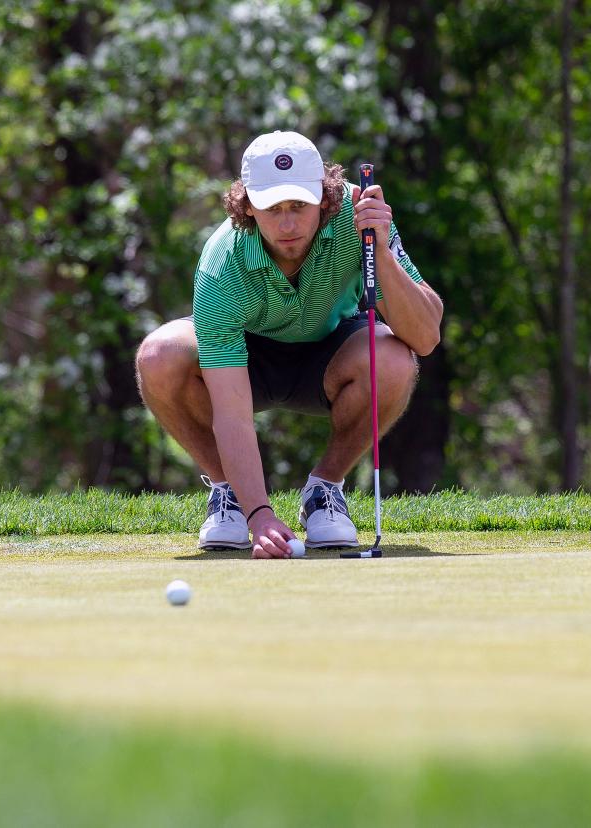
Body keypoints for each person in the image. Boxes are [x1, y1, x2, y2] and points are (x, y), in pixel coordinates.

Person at [135, 131, 442, 558]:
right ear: (246, 207)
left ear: (325, 196)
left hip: (332, 351)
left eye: (298, 205)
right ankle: (232, 498)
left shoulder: (361, 219)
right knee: (159, 355)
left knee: (393, 358)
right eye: (271, 208)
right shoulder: (222, 261)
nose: (287, 224)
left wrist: (381, 251)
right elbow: (231, 414)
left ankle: (324, 491)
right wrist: (260, 513)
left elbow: (426, 337)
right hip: (248, 356)